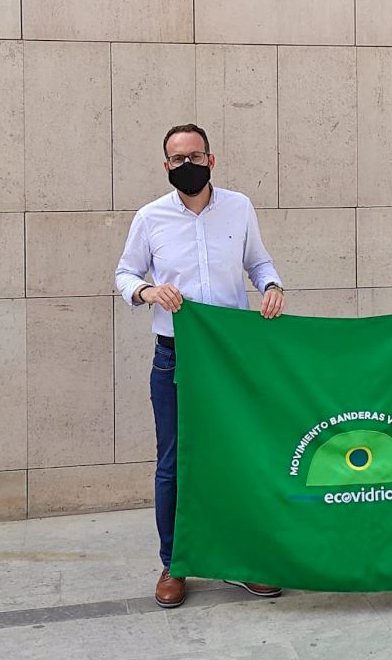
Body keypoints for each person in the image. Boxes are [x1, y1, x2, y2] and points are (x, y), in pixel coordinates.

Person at [115, 123, 287, 609]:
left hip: (232, 356)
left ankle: (244, 558)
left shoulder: (239, 207)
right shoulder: (151, 217)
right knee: (174, 462)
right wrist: (147, 291)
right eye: (177, 159)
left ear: (211, 160)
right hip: (176, 355)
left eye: (194, 156)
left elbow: (259, 262)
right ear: (166, 166)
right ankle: (175, 563)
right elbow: (125, 273)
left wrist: (272, 287)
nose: (186, 164)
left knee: (239, 455)